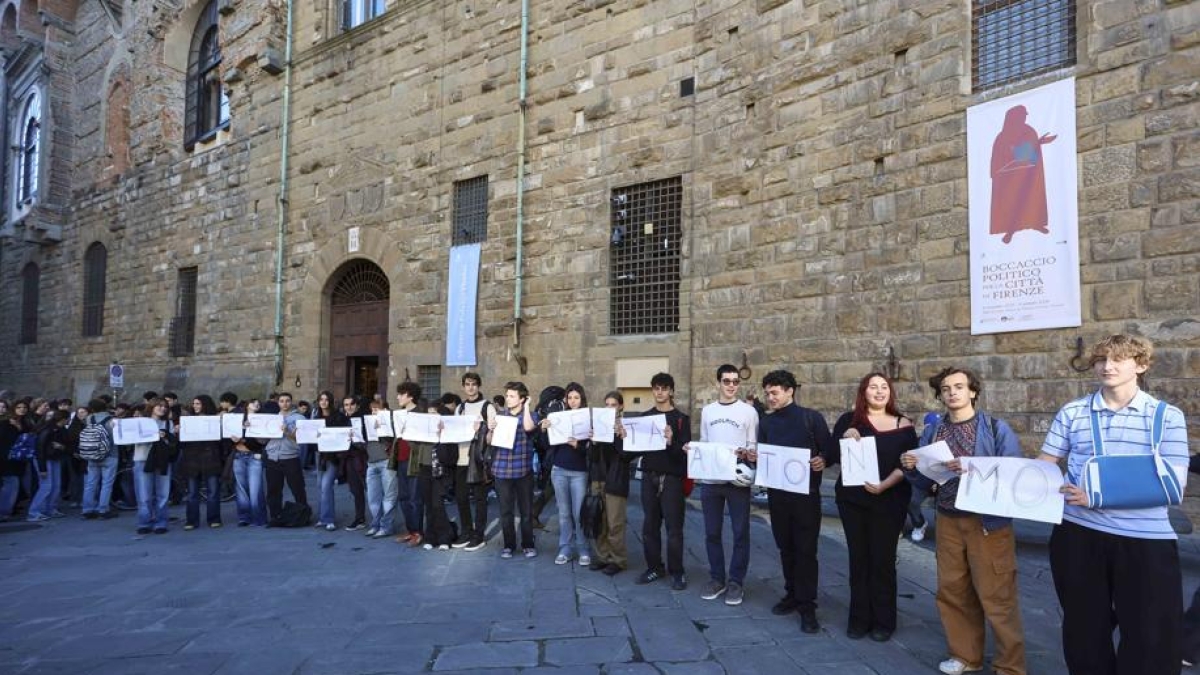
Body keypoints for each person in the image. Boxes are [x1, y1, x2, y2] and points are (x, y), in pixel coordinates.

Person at [1039, 335, 1189, 675]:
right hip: (1077, 533)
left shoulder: (1166, 416)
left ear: (1141, 365)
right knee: (1084, 632)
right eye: (1101, 359)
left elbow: (1172, 487)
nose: (1108, 366)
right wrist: (984, 475)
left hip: (1145, 540)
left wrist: (1097, 497)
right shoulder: (1073, 412)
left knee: (1151, 636)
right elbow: (1045, 464)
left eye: (1118, 359)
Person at [900, 367, 1025, 675]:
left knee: (997, 595)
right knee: (953, 590)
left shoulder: (996, 428)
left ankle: (1010, 666)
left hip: (987, 522)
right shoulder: (933, 431)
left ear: (972, 391)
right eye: (945, 388)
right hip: (947, 519)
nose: (952, 392)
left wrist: (972, 467)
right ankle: (966, 656)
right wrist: (911, 465)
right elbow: (923, 481)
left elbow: (1014, 471)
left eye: (959, 386)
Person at [828, 373, 917, 642]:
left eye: (884, 387)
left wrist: (885, 484)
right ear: (863, 392)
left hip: (889, 500)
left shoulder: (904, 424)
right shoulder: (849, 420)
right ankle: (859, 619)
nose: (879, 392)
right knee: (859, 559)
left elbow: (909, 463)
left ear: (890, 392)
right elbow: (831, 456)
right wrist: (845, 437)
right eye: (872, 387)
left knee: (883, 561)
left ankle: (884, 621)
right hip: (853, 501)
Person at [757, 369, 830, 634]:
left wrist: (824, 460)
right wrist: (756, 458)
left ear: (790, 391)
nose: (770, 397)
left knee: (806, 552)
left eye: (774, 392)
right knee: (785, 548)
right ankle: (792, 594)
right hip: (777, 496)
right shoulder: (765, 423)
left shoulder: (811, 418)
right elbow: (763, 454)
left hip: (806, 496)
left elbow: (829, 449)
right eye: (767, 393)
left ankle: (807, 606)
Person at [692, 364, 758, 606]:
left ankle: (736, 581)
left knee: (741, 532)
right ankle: (717, 577)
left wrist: (748, 453)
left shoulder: (749, 412)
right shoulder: (708, 411)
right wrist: (695, 452)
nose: (731, 385)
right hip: (711, 481)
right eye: (727, 381)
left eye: (735, 382)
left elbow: (754, 445)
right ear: (718, 383)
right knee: (712, 532)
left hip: (738, 481)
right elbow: (705, 442)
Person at [633, 372, 691, 590]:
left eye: (664, 388)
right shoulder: (645, 417)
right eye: (656, 388)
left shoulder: (681, 419)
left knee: (674, 529)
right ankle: (654, 567)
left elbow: (684, 455)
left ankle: (677, 571)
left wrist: (671, 441)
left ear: (671, 391)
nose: (660, 392)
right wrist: (623, 436)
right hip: (649, 477)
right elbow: (632, 451)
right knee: (650, 526)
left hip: (672, 480)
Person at [540, 382, 593, 566]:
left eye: (576, 397)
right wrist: (545, 429)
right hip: (559, 470)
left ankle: (583, 548)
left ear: (582, 399)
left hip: (579, 472)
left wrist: (578, 445)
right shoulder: (557, 417)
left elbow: (590, 451)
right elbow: (546, 445)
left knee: (579, 513)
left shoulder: (588, 418)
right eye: (570, 397)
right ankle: (565, 548)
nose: (573, 401)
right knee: (563, 513)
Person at [487, 381, 538, 559]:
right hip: (501, 470)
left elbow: (529, 428)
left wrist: (526, 407)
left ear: (522, 399)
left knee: (526, 511)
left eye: (512, 396)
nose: (508, 399)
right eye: (507, 395)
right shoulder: (500, 416)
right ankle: (509, 545)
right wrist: (490, 430)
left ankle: (528, 544)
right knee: (505, 511)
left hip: (523, 470)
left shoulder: (531, 415)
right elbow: (489, 442)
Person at [588, 390, 631, 576]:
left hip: (616, 479)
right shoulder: (598, 425)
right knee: (599, 520)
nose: (610, 408)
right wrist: (594, 443)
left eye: (614, 405)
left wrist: (619, 437)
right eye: (607, 405)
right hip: (599, 478)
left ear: (621, 406)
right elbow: (592, 458)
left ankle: (618, 560)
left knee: (615, 522)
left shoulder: (626, 427)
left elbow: (627, 455)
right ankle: (602, 556)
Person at [452, 372, 494, 551]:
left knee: (479, 499)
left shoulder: (487, 407)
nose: (470, 387)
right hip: (461, 458)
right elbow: (454, 431)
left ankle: (479, 535)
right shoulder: (459, 408)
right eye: (467, 384)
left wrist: (481, 429)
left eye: (474, 384)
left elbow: (493, 436)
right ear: (463, 386)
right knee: (461, 498)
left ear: (479, 386)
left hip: (478, 460)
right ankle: (466, 532)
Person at [263, 394, 309, 524]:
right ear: (278, 403)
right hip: (272, 457)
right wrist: (251, 428)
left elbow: (301, 438)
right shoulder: (272, 418)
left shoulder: (299, 418)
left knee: (297, 487)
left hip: (290, 456)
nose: (285, 403)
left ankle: (303, 515)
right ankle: (275, 516)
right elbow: (263, 439)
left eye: (287, 401)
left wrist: (287, 431)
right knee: (273, 489)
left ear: (291, 402)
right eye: (282, 401)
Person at [180, 395, 223, 529]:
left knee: (213, 491)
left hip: (211, 458)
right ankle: (191, 520)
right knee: (192, 492)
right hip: (192, 459)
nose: (195, 406)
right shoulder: (188, 420)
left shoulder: (216, 420)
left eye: (198, 403)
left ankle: (214, 518)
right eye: (194, 403)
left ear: (205, 404)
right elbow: (183, 442)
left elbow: (221, 441)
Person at [134, 398, 175, 534]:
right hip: (143, 458)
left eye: (164, 406)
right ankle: (144, 522)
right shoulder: (141, 422)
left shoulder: (168, 423)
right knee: (144, 494)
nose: (162, 408)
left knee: (163, 494)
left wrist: (166, 436)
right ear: (151, 406)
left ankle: (161, 522)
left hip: (162, 460)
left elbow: (173, 443)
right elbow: (131, 437)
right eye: (159, 405)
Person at [392, 382, 426, 545]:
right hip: (400, 459)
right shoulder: (398, 414)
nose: (398, 397)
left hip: (414, 460)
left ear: (410, 396)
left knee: (415, 498)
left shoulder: (420, 413)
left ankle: (418, 532)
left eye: (401, 394)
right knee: (403, 498)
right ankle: (411, 530)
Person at [27, 410, 70, 521]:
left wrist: (61, 447)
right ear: (64, 419)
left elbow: (66, 444)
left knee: (55, 485)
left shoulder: (58, 429)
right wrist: (42, 468)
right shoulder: (48, 430)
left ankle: (49, 509)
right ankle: (34, 512)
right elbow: (40, 449)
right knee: (46, 486)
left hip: (53, 459)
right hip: (45, 460)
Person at [363, 398, 397, 538]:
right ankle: (375, 524)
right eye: (372, 410)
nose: (373, 412)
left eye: (377, 409)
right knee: (373, 497)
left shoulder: (392, 423)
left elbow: (395, 440)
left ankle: (386, 526)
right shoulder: (368, 423)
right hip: (371, 462)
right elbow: (365, 443)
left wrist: (384, 427)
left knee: (389, 496)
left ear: (385, 410)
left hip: (386, 462)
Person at [229, 403, 267, 528]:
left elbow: (262, 442)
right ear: (246, 406)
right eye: (253, 402)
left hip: (254, 456)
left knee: (256, 489)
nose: (256, 404)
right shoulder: (237, 418)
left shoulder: (262, 420)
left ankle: (259, 518)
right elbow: (228, 437)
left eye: (258, 403)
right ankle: (244, 517)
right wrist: (236, 437)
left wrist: (246, 438)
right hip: (238, 456)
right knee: (241, 488)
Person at [79, 399, 118, 520]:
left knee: (91, 483)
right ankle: (103, 509)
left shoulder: (89, 418)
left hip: (92, 454)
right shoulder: (112, 420)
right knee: (106, 483)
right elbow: (114, 438)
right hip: (110, 454)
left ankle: (87, 509)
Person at [312, 390, 341, 531]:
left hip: (332, 457)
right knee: (320, 487)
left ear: (330, 401)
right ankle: (323, 518)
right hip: (319, 455)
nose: (323, 402)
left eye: (326, 399)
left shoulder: (338, 417)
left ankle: (329, 520)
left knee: (326, 486)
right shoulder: (315, 416)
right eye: (321, 399)